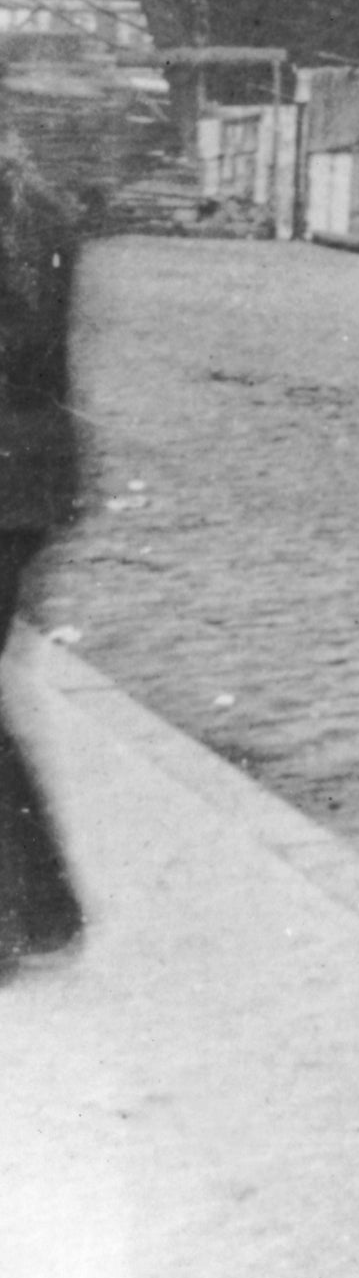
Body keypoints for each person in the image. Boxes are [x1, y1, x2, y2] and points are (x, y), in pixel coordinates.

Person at [0, 133, 87, 974]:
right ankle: (42, 907)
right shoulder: (31, 197)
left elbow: (16, 342)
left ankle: (31, 912)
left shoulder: (17, 208)